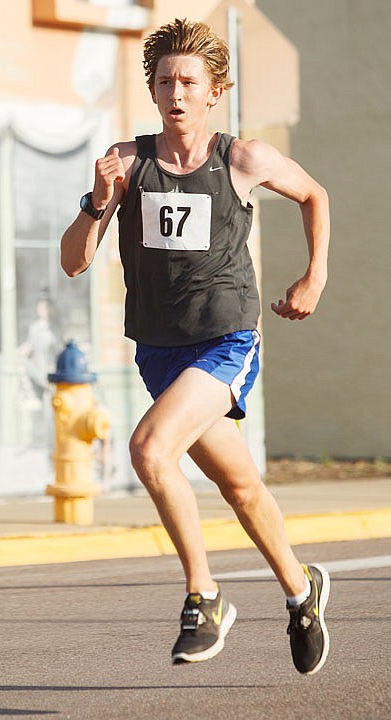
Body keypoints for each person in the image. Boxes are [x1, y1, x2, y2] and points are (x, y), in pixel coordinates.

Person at [60, 18, 330, 674]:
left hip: (226, 339)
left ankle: (203, 596)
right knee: (239, 486)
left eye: (189, 81)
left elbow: (313, 194)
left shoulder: (242, 159)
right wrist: (97, 205)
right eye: (164, 82)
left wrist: (313, 275)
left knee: (151, 450)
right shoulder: (127, 163)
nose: (175, 92)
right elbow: (74, 262)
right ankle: (303, 592)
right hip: (160, 351)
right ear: (152, 92)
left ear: (214, 92)